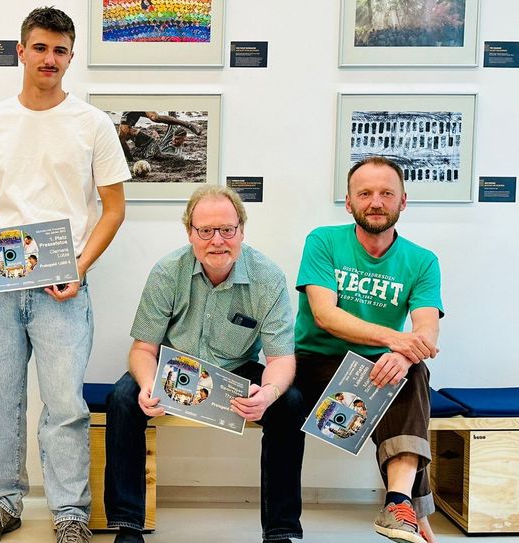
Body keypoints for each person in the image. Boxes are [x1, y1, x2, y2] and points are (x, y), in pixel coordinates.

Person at [0, 7, 129, 543]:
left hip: (63, 286)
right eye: (40, 48)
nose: (49, 59)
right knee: (1, 399)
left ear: (71, 57)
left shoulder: (93, 124)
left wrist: (80, 267)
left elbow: (114, 208)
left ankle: (70, 513)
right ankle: (3, 503)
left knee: (64, 405)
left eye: (59, 50)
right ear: (21, 51)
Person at [104, 186, 305, 543]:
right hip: (173, 367)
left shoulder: (267, 278)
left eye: (227, 230)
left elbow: (281, 359)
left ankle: (279, 531)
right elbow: (142, 349)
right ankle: (128, 526)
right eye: (205, 230)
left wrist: (269, 392)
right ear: (189, 233)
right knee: (122, 397)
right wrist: (150, 384)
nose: (217, 240)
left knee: (289, 403)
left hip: (235, 369)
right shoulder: (168, 272)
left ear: (242, 230)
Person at [293, 155, 443, 543]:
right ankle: (413, 507)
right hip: (315, 364)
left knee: (413, 373)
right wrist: (395, 340)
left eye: (386, 193)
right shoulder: (323, 241)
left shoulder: (423, 261)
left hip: (376, 365)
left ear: (403, 202)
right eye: (365, 193)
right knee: (403, 379)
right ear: (349, 202)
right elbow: (325, 315)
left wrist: (406, 353)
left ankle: (397, 503)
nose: (376, 201)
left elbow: (427, 326)